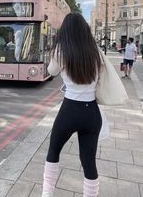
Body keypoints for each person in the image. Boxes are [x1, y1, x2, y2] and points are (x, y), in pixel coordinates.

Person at [42, 12, 102, 197]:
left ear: (65, 30)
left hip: (70, 110)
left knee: (53, 150)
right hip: (92, 113)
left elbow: (51, 71)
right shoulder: (94, 50)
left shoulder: (61, 51)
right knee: (88, 162)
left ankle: (47, 194)